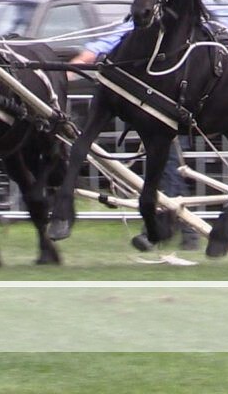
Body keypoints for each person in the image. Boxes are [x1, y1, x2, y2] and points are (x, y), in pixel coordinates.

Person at [69, 29, 200, 251]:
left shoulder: (163, 35)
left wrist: (80, 63)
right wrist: (75, 66)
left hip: (163, 115)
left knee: (168, 172)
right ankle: (184, 232)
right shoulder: (132, 32)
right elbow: (100, 46)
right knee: (166, 172)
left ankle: (167, 232)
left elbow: (100, 47)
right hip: (149, 115)